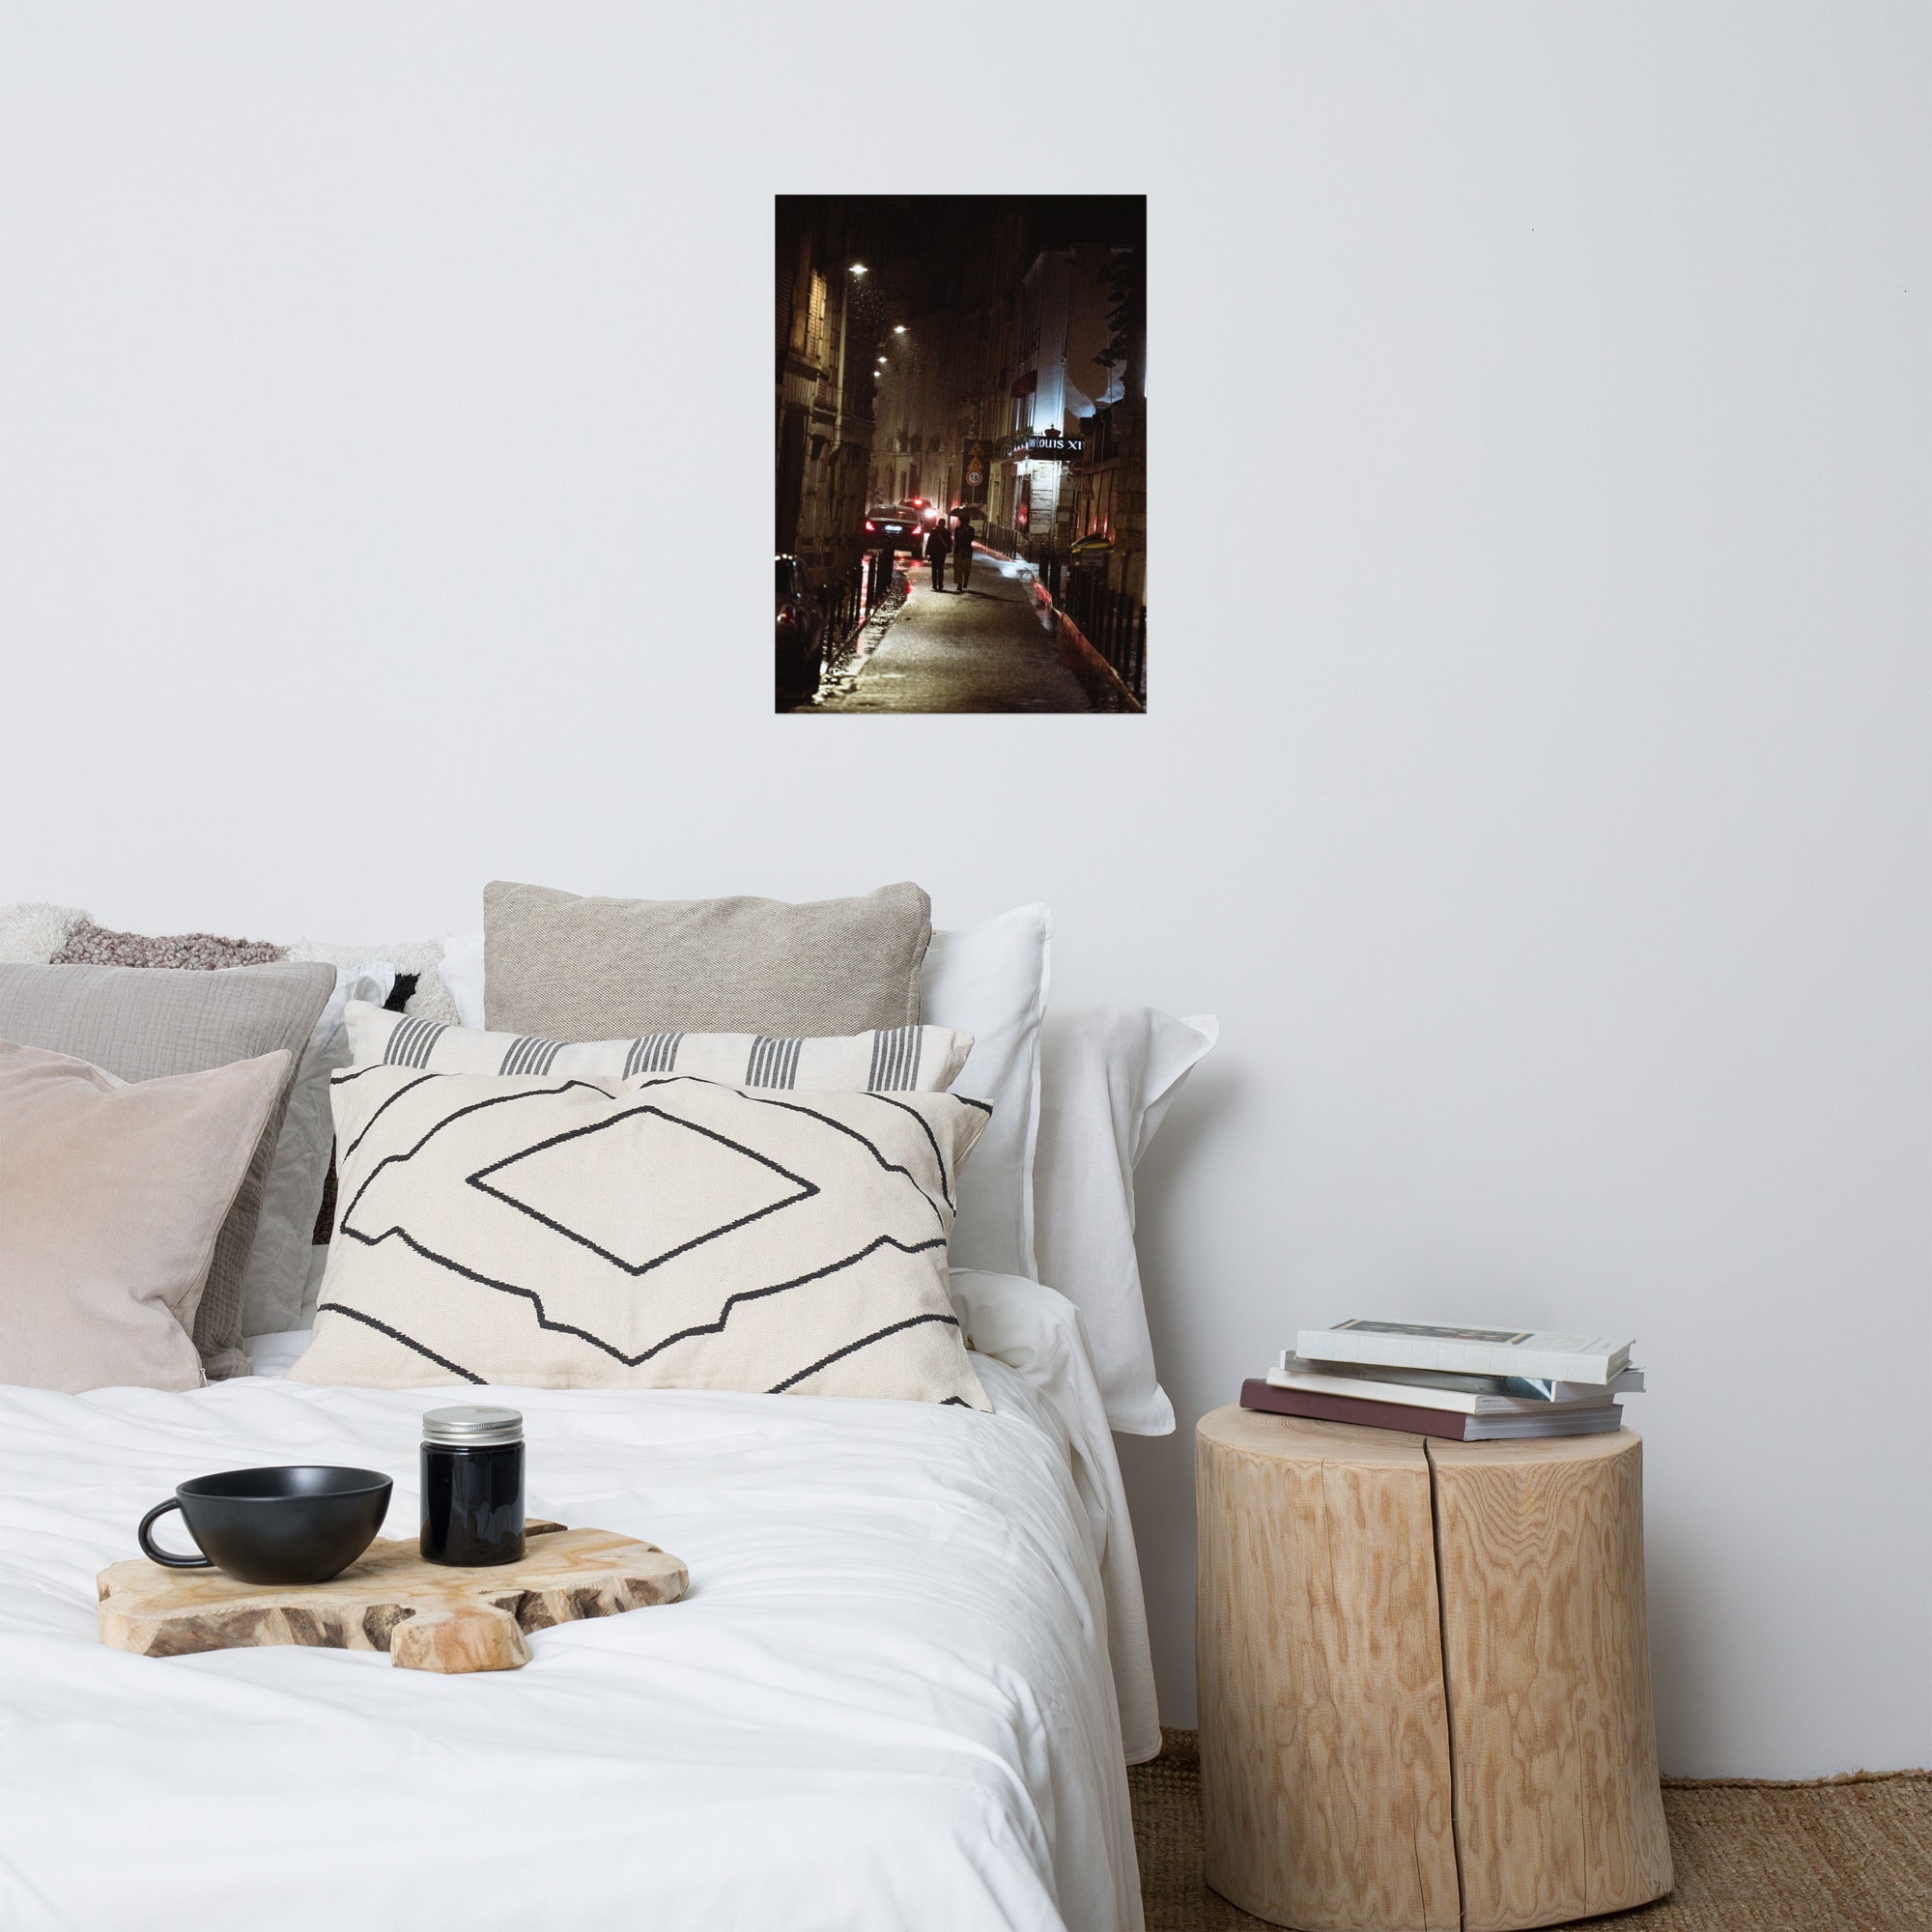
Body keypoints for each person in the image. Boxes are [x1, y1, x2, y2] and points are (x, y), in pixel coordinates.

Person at [923, 518, 949, 591]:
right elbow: (930, 542)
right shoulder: (936, 532)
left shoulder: (943, 532)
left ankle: (939, 584)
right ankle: (936, 584)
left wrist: (927, 551)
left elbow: (930, 542)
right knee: (936, 569)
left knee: (939, 569)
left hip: (939, 553)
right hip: (936, 552)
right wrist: (927, 551)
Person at [952, 513, 974, 591]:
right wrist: (961, 533)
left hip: (967, 551)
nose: (963, 523)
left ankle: (966, 580)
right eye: (962, 521)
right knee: (958, 568)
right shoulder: (957, 529)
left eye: (965, 521)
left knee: (966, 568)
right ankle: (959, 584)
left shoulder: (971, 529)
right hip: (958, 550)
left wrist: (966, 533)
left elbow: (971, 539)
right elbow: (956, 539)